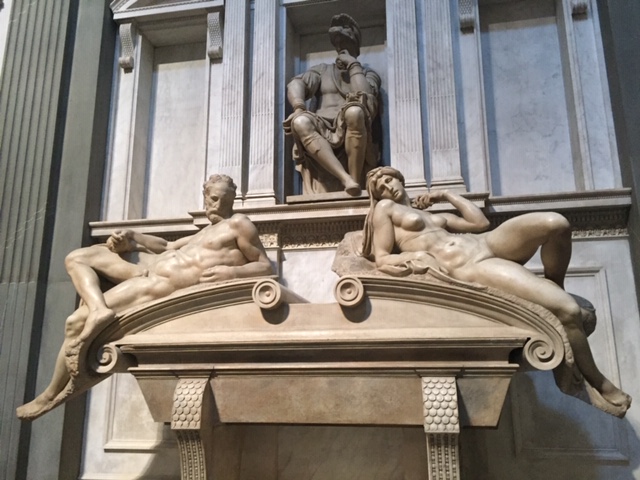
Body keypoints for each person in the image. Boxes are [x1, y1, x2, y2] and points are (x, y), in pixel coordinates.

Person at [362, 166, 631, 415]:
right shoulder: (385, 209)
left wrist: (444, 194)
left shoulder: (434, 216)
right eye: (380, 187)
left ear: (400, 179)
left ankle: (555, 284)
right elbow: (382, 257)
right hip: (471, 266)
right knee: (569, 311)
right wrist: (415, 257)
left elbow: (479, 224)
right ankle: (600, 383)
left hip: (486, 243)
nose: (387, 187)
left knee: (556, 224)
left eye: (389, 179)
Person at [17, 174, 274, 420]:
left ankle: (49, 395)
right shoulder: (204, 232)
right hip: (148, 269)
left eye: (217, 199)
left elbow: (265, 266)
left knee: (75, 322)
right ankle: (98, 309)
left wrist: (232, 272)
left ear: (231, 199)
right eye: (208, 198)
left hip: (156, 285)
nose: (211, 204)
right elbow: (166, 246)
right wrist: (131, 238)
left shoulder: (238, 224)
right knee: (77, 257)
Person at [283, 13, 381, 196]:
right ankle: (346, 179)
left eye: (345, 43)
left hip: (352, 122)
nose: (341, 48)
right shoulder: (322, 70)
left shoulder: (367, 74)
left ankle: (354, 181)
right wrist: (298, 106)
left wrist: (353, 65)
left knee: (355, 112)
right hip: (321, 125)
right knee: (300, 122)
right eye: (338, 44)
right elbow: (296, 83)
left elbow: (366, 97)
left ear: (356, 43)